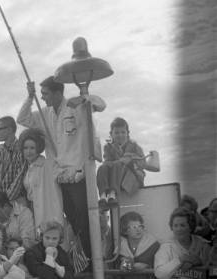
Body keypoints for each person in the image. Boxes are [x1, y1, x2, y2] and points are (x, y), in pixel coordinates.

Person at [18, 76, 106, 262]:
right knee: (73, 220)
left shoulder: (75, 107)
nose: (43, 98)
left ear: (58, 93)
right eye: (41, 94)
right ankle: (82, 257)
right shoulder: (44, 114)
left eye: (45, 94)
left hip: (78, 174)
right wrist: (30, 96)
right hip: (60, 176)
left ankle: (91, 258)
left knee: (85, 218)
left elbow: (99, 105)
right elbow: (23, 118)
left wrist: (85, 97)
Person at [11, 127, 63, 231]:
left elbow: (61, 172)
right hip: (32, 210)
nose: (28, 152)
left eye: (32, 148)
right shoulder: (27, 168)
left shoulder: (48, 164)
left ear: (38, 148)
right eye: (25, 148)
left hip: (48, 211)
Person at [96, 117, 146, 208]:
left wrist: (131, 159)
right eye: (117, 132)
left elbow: (143, 163)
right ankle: (103, 196)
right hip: (115, 180)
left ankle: (112, 194)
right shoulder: (108, 147)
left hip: (132, 179)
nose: (120, 135)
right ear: (111, 134)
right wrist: (118, 161)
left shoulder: (134, 146)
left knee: (118, 164)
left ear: (128, 133)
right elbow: (107, 162)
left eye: (123, 132)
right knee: (102, 167)